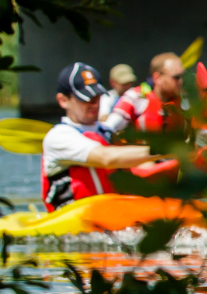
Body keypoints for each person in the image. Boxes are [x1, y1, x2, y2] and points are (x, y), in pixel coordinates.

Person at [42, 63, 162, 211]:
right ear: (63, 100)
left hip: (113, 218)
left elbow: (140, 166)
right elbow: (106, 158)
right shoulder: (59, 137)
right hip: (75, 224)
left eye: (97, 96)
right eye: (85, 98)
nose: (94, 103)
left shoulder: (107, 133)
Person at [107, 52, 207, 142]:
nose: (181, 81)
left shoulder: (187, 103)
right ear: (157, 78)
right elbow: (108, 128)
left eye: (183, 76)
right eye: (176, 77)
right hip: (141, 167)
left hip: (177, 169)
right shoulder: (135, 98)